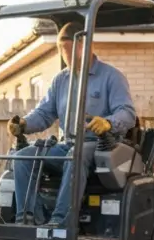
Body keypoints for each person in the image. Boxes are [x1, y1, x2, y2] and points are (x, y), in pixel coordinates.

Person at [8, 22, 138, 227]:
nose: (65, 55)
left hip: (101, 146)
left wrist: (108, 123)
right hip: (67, 145)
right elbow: (45, 113)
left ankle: (61, 222)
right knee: (22, 157)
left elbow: (128, 113)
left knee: (76, 154)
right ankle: (27, 219)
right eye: (61, 50)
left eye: (69, 49)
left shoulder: (111, 77)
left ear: (86, 45)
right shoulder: (61, 80)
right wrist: (24, 124)